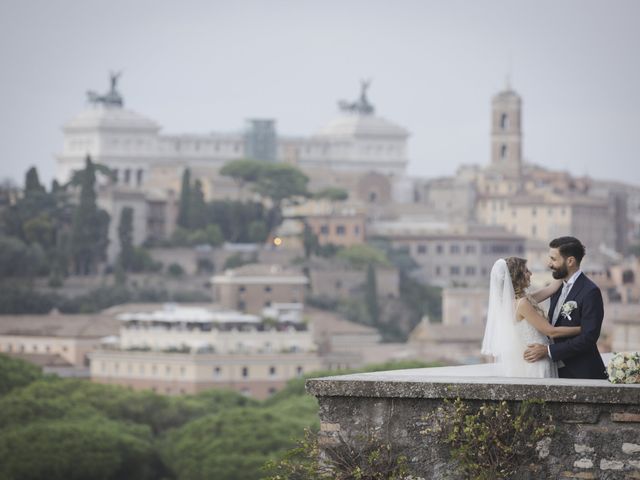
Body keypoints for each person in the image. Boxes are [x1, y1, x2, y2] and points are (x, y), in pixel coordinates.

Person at [523, 237, 608, 379]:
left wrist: (548, 350)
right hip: (554, 370)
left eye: (553, 259)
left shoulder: (590, 291)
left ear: (570, 261)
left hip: (581, 372)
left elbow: (589, 338)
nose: (549, 264)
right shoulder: (556, 287)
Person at [482, 257, 581, 377]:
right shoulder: (522, 304)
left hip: (538, 359)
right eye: (526, 271)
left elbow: (551, 289)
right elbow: (551, 331)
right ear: (517, 277)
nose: (530, 273)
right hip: (539, 362)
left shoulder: (517, 302)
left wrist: (567, 267)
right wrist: (583, 329)